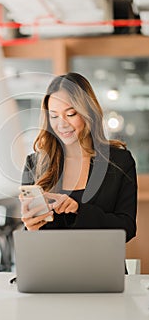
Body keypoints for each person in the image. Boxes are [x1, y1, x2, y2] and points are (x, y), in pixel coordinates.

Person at [19, 72, 137, 244]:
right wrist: (31, 228)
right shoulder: (34, 164)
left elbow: (127, 228)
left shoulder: (119, 161)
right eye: (54, 116)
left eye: (71, 114)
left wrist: (78, 209)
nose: (62, 124)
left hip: (102, 267)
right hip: (51, 267)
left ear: (88, 112)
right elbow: (30, 238)